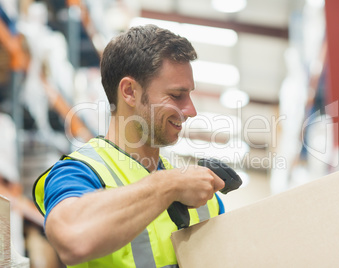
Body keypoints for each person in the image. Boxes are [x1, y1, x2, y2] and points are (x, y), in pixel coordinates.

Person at [33, 24, 225, 268]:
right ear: (129, 92)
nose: (191, 110)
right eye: (177, 95)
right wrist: (168, 185)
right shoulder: (79, 173)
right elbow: (72, 238)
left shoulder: (202, 195)